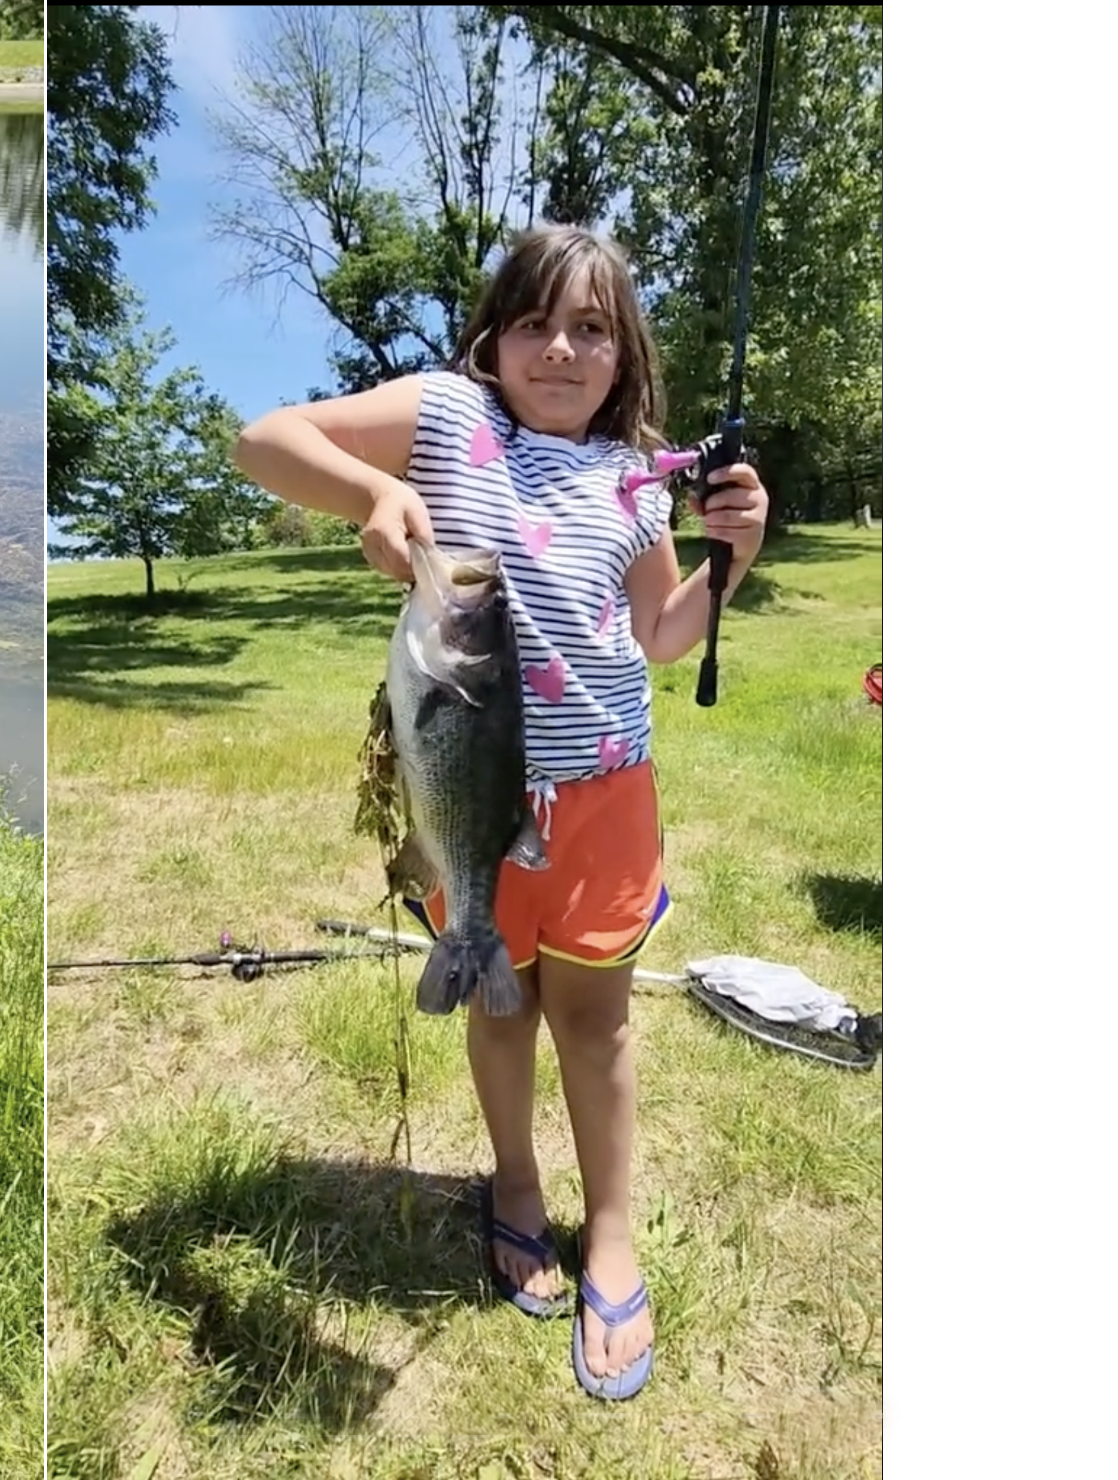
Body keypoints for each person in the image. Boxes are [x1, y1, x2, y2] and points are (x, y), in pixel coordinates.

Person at [230, 224, 771, 1402]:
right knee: (499, 999)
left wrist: (730, 557)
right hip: (474, 787)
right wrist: (376, 490)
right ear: (494, 336)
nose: (562, 349)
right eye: (535, 323)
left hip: (607, 792)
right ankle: (516, 1181)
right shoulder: (445, 418)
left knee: (598, 1020)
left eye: (591, 329)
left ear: (624, 353)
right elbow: (264, 439)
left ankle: (610, 1226)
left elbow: (657, 635)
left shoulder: (634, 478)